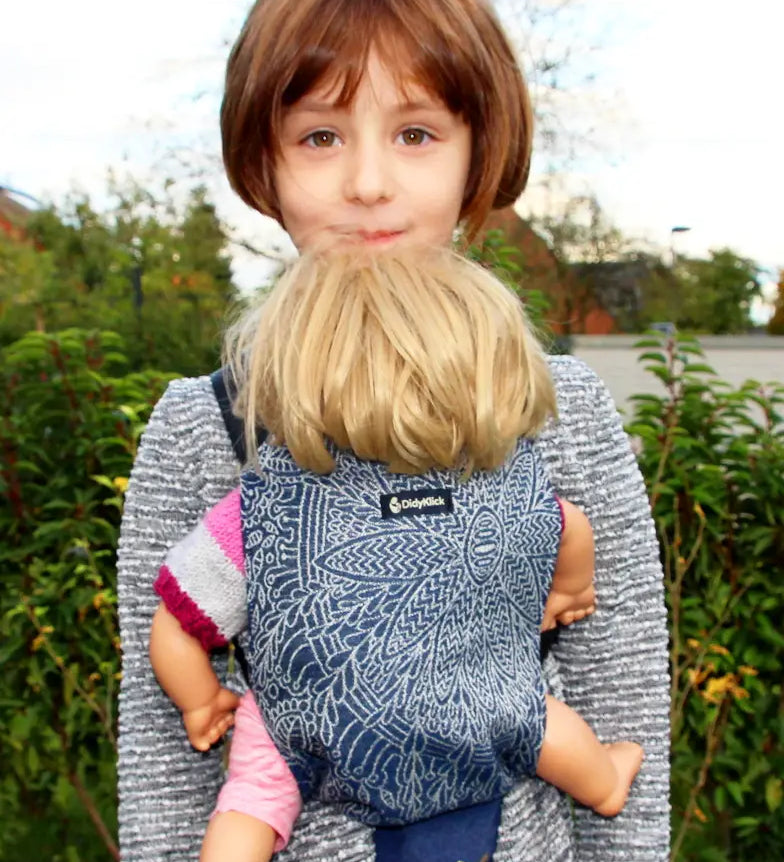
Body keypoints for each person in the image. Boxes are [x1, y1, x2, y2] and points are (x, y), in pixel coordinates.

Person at [116, 1, 671, 860]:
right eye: (320, 136)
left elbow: (620, 695)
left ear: (478, 151)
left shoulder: (555, 406)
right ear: (262, 161)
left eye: (416, 134)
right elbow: (165, 765)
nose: (368, 182)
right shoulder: (207, 427)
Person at [148, 249, 644, 862]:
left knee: (252, 799)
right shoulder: (500, 485)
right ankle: (605, 783)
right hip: (477, 708)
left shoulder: (262, 507)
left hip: (306, 723)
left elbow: (176, 621)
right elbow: (571, 527)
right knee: (540, 723)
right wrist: (570, 589)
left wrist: (201, 701)